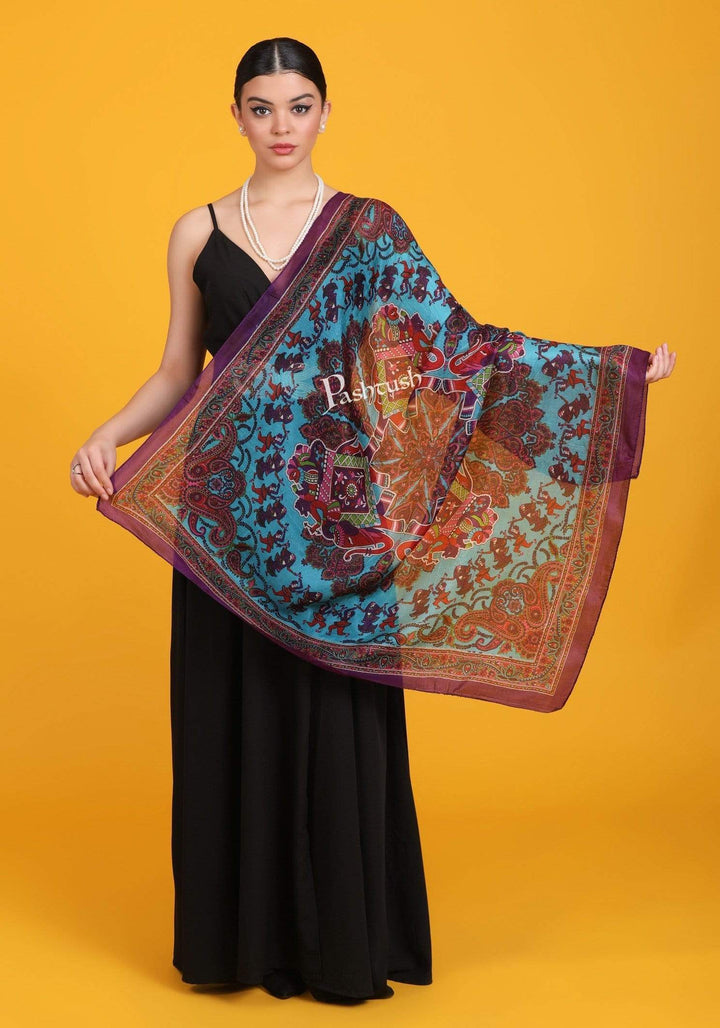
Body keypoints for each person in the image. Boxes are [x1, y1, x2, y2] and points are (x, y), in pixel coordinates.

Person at [70, 36, 677, 1007]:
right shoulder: (198, 232)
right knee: (231, 716)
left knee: (335, 718)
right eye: (261, 107)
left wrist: (609, 373)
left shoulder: (368, 231)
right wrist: (107, 436)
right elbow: (181, 371)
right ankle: (238, 946)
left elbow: (459, 353)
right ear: (237, 116)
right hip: (227, 520)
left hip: (339, 520)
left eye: (298, 105)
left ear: (324, 112)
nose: (281, 125)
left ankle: (342, 947)